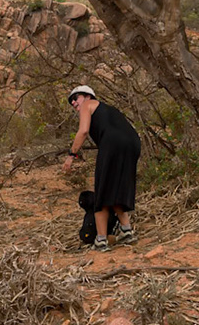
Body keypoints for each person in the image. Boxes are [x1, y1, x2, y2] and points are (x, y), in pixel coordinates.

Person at [61, 85, 142, 251]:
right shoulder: (109, 110)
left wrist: (71, 156)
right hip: (133, 143)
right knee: (116, 187)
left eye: (76, 97)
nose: (74, 102)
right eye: (72, 101)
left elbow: (83, 131)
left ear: (88, 96)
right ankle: (126, 231)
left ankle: (101, 239)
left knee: (102, 191)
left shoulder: (88, 105)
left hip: (112, 144)